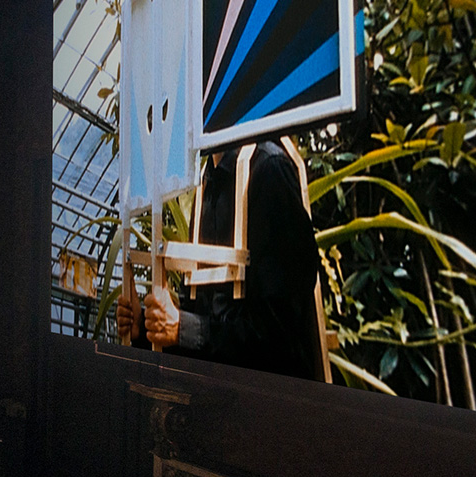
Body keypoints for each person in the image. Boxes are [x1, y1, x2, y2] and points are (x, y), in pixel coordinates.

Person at [116, 139, 325, 380]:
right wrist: (145, 327)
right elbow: (200, 331)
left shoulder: (268, 169)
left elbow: (281, 337)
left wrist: (183, 328)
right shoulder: (204, 185)